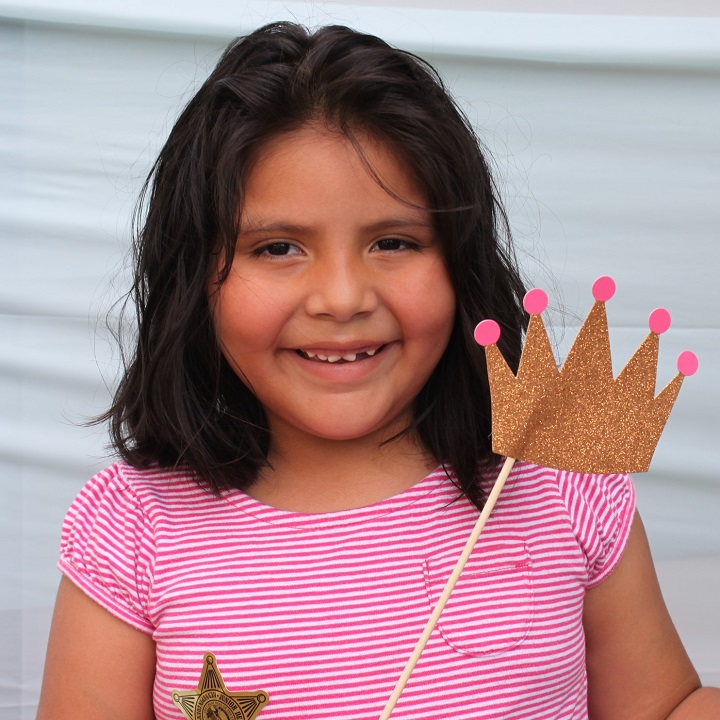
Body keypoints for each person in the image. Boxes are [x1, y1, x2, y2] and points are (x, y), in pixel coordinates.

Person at [36, 22, 719, 720]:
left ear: (460, 265)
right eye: (277, 248)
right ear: (193, 280)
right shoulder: (131, 528)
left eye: (394, 242)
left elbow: (664, 707)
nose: (342, 299)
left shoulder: (563, 488)